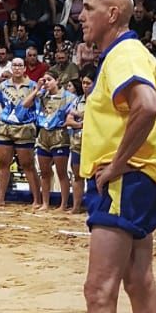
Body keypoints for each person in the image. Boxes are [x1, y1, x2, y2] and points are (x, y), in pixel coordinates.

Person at [38, 0, 156, 313]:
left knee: (100, 288)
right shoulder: (142, 56)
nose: (80, 15)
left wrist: (116, 164)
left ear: (113, 14)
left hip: (122, 183)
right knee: (139, 281)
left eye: (89, 8)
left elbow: (148, 107)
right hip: (142, 180)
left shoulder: (123, 56)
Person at [0, 55, 41, 210]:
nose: (18, 68)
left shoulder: (33, 86)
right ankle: (0, 199)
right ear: (11, 68)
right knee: (3, 164)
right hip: (6, 126)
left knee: (28, 165)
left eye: (20, 65)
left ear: (25, 68)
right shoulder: (3, 86)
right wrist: (2, 117)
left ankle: (37, 199)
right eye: (15, 65)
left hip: (24, 127)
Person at [34, 71, 76, 212]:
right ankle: (45, 203)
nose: (46, 82)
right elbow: (25, 104)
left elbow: (73, 115)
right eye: (44, 79)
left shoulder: (69, 97)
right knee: (44, 172)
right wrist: (37, 89)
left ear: (57, 80)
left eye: (49, 79)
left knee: (61, 172)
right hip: (43, 135)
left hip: (59, 135)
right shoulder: (41, 96)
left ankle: (63, 204)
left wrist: (64, 123)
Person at [66, 68, 95, 215]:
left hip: (95, 145)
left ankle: (94, 207)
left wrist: (79, 116)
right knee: (77, 175)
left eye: (88, 83)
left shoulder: (100, 101)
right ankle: (76, 206)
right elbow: (68, 120)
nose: (85, 86)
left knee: (93, 177)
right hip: (77, 142)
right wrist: (81, 123)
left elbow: (94, 118)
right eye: (83, 83)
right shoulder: (77, 100)